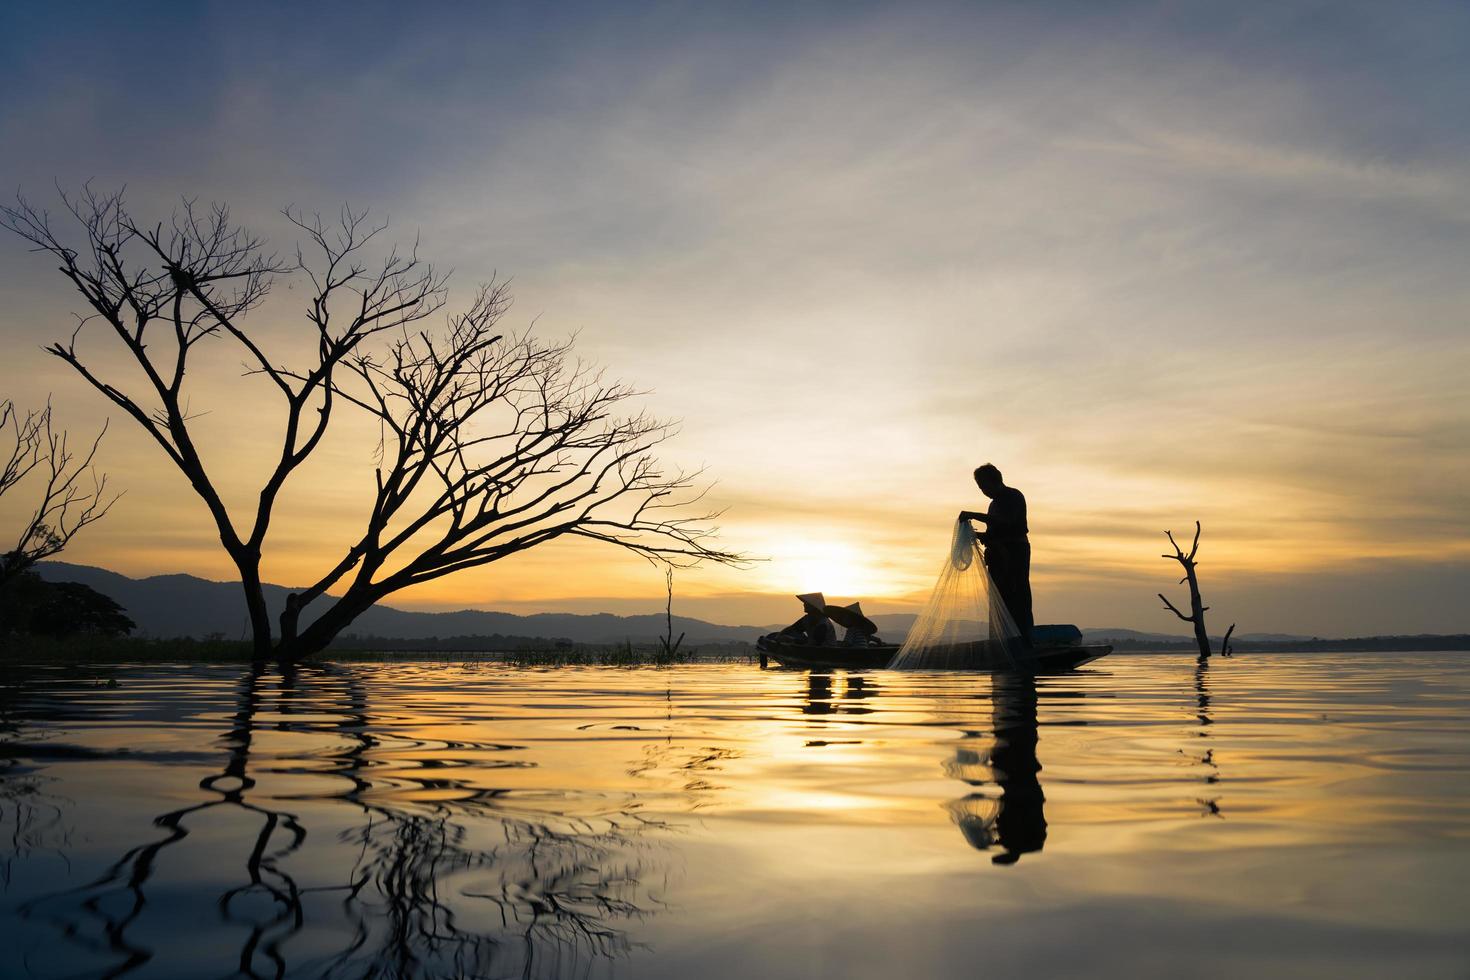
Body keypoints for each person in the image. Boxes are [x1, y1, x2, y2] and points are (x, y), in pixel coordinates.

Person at [959, 463, 1034, 639]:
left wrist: (974, 515)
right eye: (981, 488)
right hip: (998, 555)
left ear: (996, 481)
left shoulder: (1013, 496)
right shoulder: (994, 504)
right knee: (999, 598)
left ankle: (1023, 637)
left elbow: (1005, 524)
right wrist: (977, 536)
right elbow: (995, 532)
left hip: (1014, 552)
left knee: (1017, 594)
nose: (984, 491)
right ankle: (1001, 638)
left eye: (984, 486)